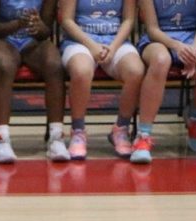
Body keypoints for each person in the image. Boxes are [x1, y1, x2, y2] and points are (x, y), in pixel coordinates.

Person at [59, 0, 152, 160]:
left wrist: (113, 47)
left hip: (115, 42)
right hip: (80, 41)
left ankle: (121, 128)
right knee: (81, 71)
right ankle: (78, 131)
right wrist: (92, 46)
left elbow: (128, 19)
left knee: (136, 71)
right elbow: (67, 20)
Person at [0, 0, 71, 163]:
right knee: (5, 67)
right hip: (2, 40)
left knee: (55, 65)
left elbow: (45, 31)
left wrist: (39, 26)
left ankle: (56, 138)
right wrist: (17, 24)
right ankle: (2, 139)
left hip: (32, 42)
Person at [137, 0, 196, 162]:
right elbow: (152, 30)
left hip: (194, 41)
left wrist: (192, 52)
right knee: (160, 61)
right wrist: (177, 46)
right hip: (159, 39)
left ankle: (194, 115)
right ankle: (143, 134)